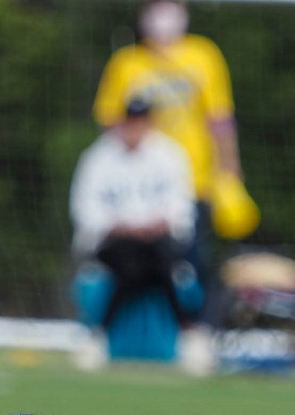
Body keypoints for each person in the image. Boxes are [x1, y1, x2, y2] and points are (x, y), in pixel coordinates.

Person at [92, 0, 247, 276]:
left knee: (191, 261)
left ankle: (190, 317)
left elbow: (220, 119)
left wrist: (229, 166)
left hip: (195, 180)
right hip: (142, 184)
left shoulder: (204, 54)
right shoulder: (126, 62)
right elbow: (109, 121)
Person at [70, 96, 197, 329]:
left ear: (150, 123)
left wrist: (155, 225)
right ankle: (186, 330)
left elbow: (181, 206)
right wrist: (121, 227)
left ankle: (101, 333)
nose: (136, 128)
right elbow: (84, 208)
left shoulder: (170, 155)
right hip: (114, 243)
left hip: (157, 242)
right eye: (131, 121)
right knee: (142, 263)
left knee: (149, 262)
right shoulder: (98, 157)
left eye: (141, 121)